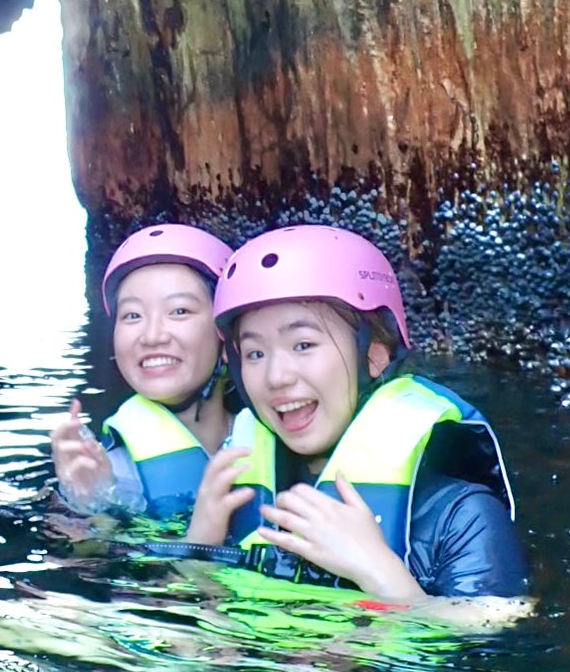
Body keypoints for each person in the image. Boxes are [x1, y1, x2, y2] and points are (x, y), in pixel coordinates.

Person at [187, 224, 529, 600]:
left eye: (303, 344)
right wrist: (199, 545)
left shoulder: (461, 515)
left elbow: (493, 639)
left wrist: (379, 572)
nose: (275, 377)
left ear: (373, 355)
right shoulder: (234, 495)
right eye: (254, 353)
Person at [49, 224, 233, 522]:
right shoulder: (111, 473)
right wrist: (88, 504)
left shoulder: (283, 442)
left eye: (179, 311)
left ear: (227, 336)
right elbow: (82, 561)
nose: (151, 336)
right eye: (132, 315)